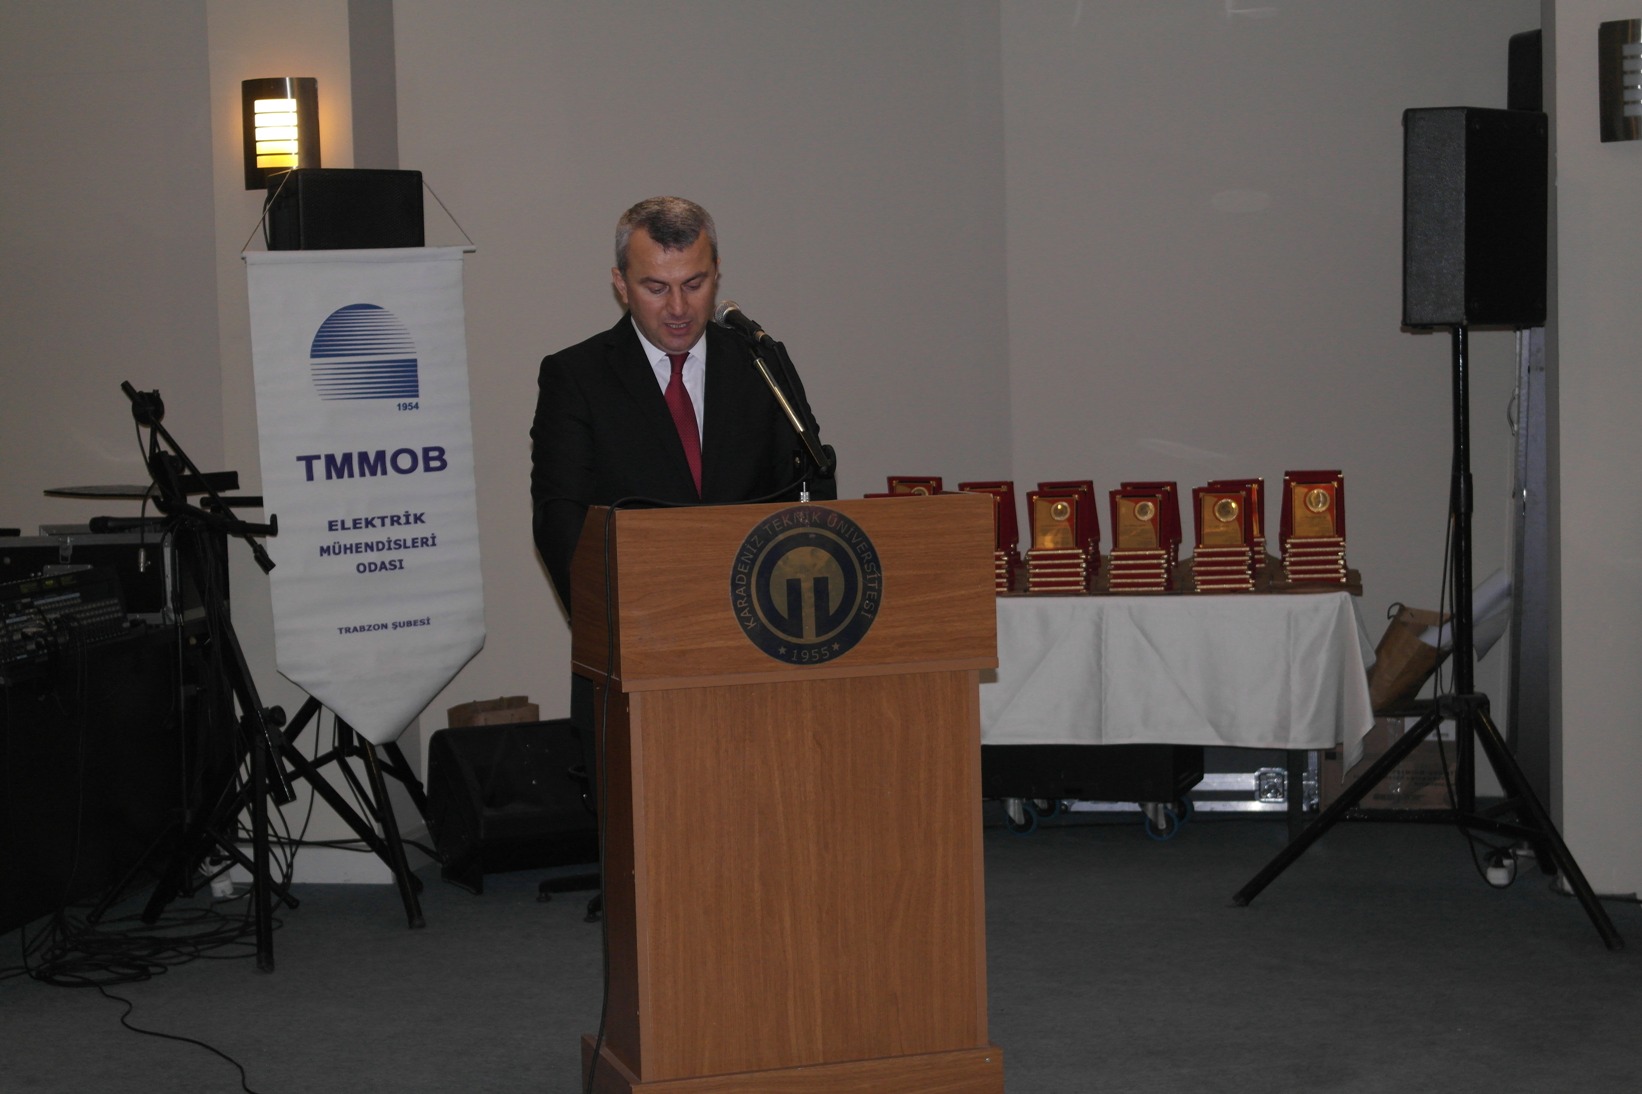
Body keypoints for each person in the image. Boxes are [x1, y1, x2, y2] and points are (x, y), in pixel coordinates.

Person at [530, 196, 835, 615]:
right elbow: (561, 524)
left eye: (694, 284)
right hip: (640, 623)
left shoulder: (760, 364)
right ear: (621, 284)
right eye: (656, 288)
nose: (678, 308)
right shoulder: (576, 377)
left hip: (762, 622)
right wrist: (611, 623)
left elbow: (811, 485)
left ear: (716, 273)